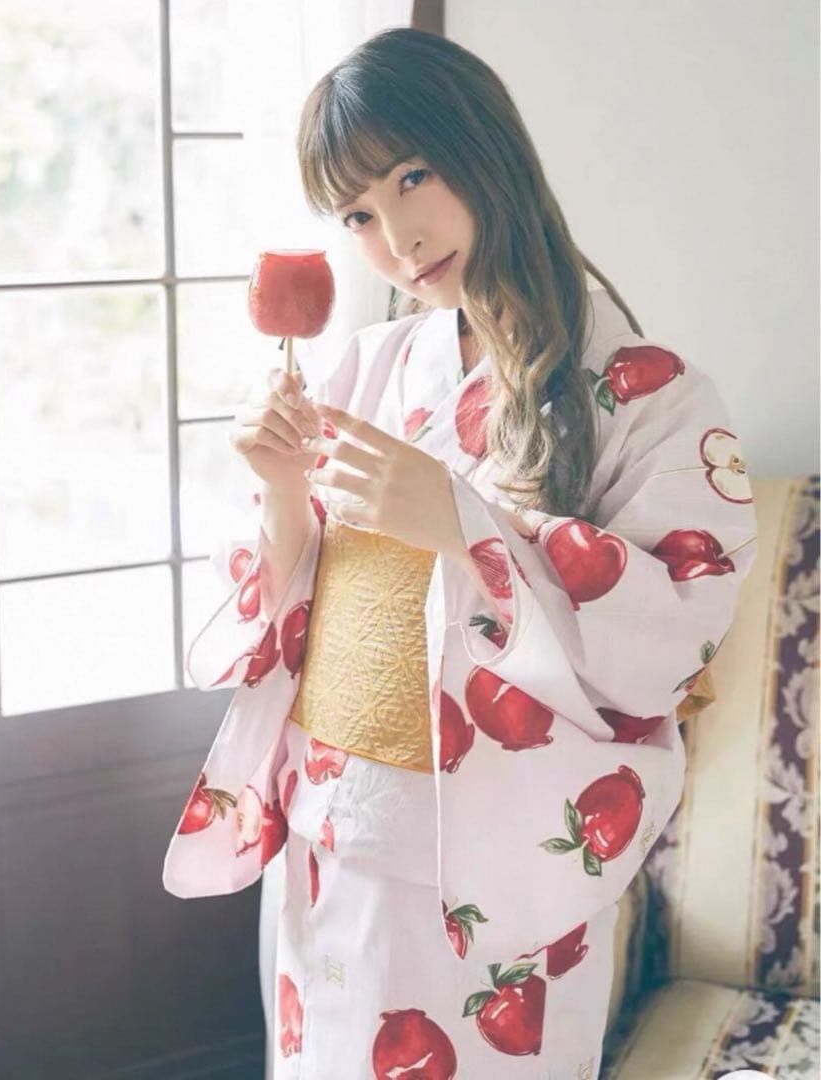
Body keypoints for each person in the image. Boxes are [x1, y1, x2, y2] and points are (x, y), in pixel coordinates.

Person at [162, 27, 758, 1079]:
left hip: (499, 862)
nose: (395, 236)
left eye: (411, 177)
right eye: (357, 214)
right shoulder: (366, 365)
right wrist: (282, 489)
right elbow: (296, 602)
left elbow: (671, 629)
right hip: (329, 829)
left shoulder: (653, 395)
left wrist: (460, 523)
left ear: (486, 147)